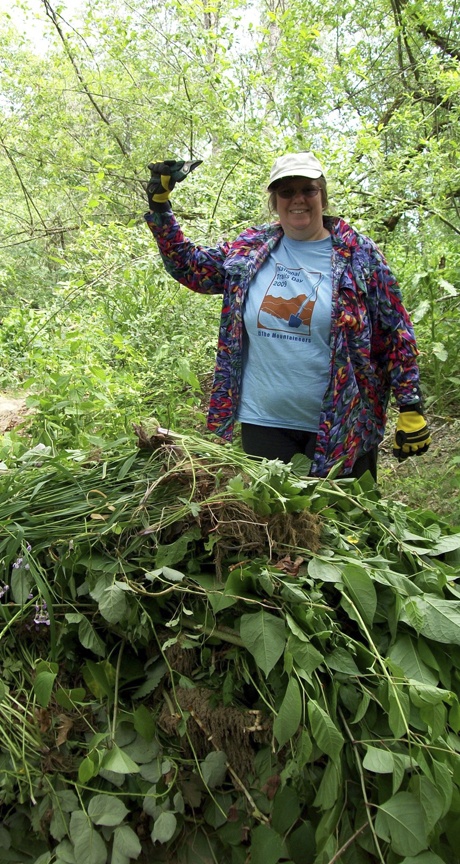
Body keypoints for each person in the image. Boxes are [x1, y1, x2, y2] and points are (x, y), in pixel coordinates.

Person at [144, 152, 431, 480]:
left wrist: (411, 406)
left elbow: (396, 331)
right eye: (286, 192)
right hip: (264, 423)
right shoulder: (250, 250)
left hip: (344, 424)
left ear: (322, 195)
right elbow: (190, 266)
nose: (298, 200)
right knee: (279, 528)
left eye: (308, 190)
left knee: (347, 523)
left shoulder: (360, 257)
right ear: (274, 201)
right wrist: (161, 208)